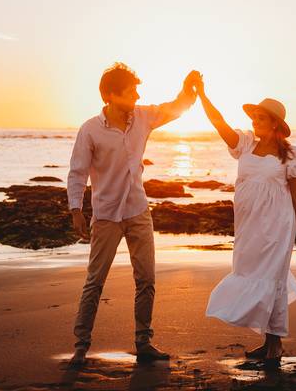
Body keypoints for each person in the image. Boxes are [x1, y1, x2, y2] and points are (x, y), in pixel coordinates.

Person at [66, 62, 199, 366]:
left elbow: (175, 108)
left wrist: (188, 87)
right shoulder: (90, 129)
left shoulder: (143, 117)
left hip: (138, 210)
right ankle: (81, 344)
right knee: (95, 281)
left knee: (146, 280)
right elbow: (77, 172)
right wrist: (76, 209)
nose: (137, 96)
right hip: (106, 216)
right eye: (131, 91)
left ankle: (144, 341)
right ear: (111, 95)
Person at [195, 76, 296, 366]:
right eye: (254, 117)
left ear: (275, 125)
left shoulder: (292, 155)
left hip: (278, 226)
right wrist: (202, 95)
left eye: (261, 118)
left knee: (273, 280)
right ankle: (271, 342)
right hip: (248, 226)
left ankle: (274, 345)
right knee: (249, 273)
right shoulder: (245, 144)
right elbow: (219, 123)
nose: (255, 121)